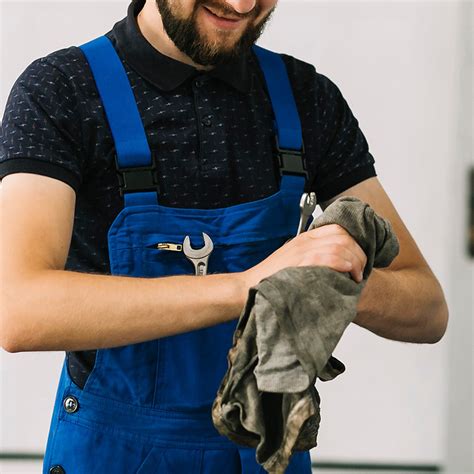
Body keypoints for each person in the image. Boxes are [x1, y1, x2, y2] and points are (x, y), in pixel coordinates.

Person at [0, 0, 448, 473]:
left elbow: (427, 309)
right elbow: (20, 309)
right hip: (115, 454)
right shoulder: (62, 90)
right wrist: (250, 286)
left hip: (266, 453)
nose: (242, 5)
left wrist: (328, 283)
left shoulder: (306, 97)